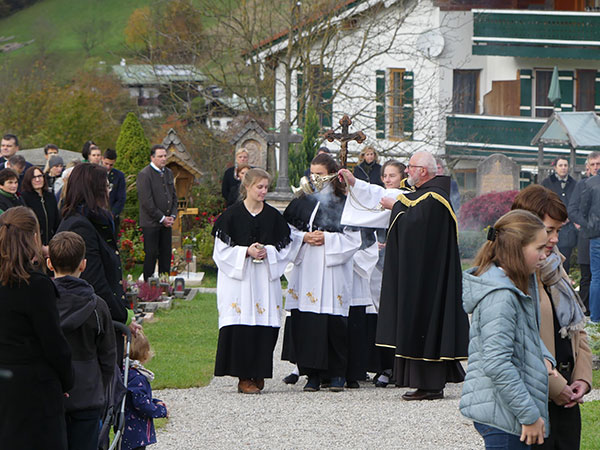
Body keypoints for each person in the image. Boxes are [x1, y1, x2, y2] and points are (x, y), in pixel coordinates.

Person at [377, 150, 469, 400]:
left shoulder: (434, 199)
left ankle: (429, 385)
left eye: (410, 167)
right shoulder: (422, 195)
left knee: (426, 323)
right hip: (422, 275)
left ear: (423, 171)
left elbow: (415, 227)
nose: (406, 172)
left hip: (429, 281)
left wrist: (395, 206)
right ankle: (423, 383)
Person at [461, 209, 555, 449]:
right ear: (517, 248)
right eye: (539, 248)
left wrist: (544, 358)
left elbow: (526, 335)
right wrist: (529, 416)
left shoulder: (514, 285)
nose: (545, 255)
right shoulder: (501, 296)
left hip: (508, 411)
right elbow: (497, 363)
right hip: (504, 417)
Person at [512, 185, 592, 449]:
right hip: (534, 398)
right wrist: (555, 386)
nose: (556, 238)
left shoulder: (556, 265)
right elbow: (520, 344)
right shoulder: (514, 276)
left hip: (568, 395)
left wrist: (581, 378)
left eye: (559, 230)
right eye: (549, 230)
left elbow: (577, 327)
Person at [212, 168, 298, 394]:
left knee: (264, 326)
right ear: (247, 187)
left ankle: (259, 372)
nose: (263, 191)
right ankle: (243, 377)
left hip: (263, 282)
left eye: (266, 187)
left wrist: (268, 251)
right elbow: (220, 252)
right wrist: (245, 252)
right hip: (239, 282)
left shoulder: (273, 217)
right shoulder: (230, 216)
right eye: (259, 187)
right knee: (241, 327)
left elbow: (286, 249)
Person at [282, 153, 361, 392]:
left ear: (332, 174)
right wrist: (304, 237)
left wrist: (326, 237)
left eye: (319, 173)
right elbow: (286, 232)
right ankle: (312, 374)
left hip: (332, 269)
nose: (314, 178)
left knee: (334, 322)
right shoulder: (301, 201)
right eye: (312, 173)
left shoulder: (346, 202)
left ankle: (337, 374)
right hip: (307, 267)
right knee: (308, 323)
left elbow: (354, 239)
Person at [0, 206, 73, 449]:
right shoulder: (36, 286)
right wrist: (66, 379)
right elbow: (54, 343)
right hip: (33, 390)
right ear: (33, 237)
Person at [57, 163, 133, 362]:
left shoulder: (94, 221)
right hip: (90, 325)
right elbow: (94, 281)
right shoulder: (80, 226)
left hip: (103, 318)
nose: (109, 191)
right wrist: (123, 316)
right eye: (105, 186)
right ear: (94, 189)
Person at [47, 231, 116, 450]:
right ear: (83, 265)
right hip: (86, 392)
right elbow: (107, 357)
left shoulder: (42, 305)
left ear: (49, 263)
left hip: (49, 393)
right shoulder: (97, 307)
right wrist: (103, 389)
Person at [137, 145, 178, 281]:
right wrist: (161, 218)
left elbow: (173, 197)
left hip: (166, 223)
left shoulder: (168, 173)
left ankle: (164, 284)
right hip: (151, 223)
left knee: (166, 255)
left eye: (165, 156)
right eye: (160, 156)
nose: (163, 159)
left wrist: (172, 216)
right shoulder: (145, 174)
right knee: (151, 254)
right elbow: (146, 202)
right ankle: (148, 286)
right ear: (152, 157)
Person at [122, 331, 168, 450]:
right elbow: (141, 404)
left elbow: (134, 397)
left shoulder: (124, 372)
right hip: (135, 432)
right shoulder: (138, 377)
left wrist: (153, 401)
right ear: (145, 354)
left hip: (123, 429)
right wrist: (161, 410)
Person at [568, 151, 600, 315]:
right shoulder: (582, 185)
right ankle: (585, 311)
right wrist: (584, 225)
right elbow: (572, 209)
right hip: (588, 235)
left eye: (598, 164)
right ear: (587, 167)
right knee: (587, 276)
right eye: (593, 164)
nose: (596, 167)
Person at [542, 157, 578, 273]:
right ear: (555, 167)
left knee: (565, 261)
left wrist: (569, 216)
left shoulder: (574, 184)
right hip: (551, 225)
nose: (563, 168)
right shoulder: (547, 183)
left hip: (568, 228)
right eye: (561, 165)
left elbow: (577, 202)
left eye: (565, 165)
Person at [21, 166, 61, 251]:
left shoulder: (50, 196)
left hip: (52, 244)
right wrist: (39, 246)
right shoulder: (24, 197)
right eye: (34, 177)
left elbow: (57, 221)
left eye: (40, 176)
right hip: (33, 246)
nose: (37, 180)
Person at [102, 148, 126, 232]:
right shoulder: (95, 173)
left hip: (112, 214)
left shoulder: (119, 176)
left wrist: (113, 213)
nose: (108, 167)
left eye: (111, 165)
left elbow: (121, 197)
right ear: (102, 159)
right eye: (106, 164)